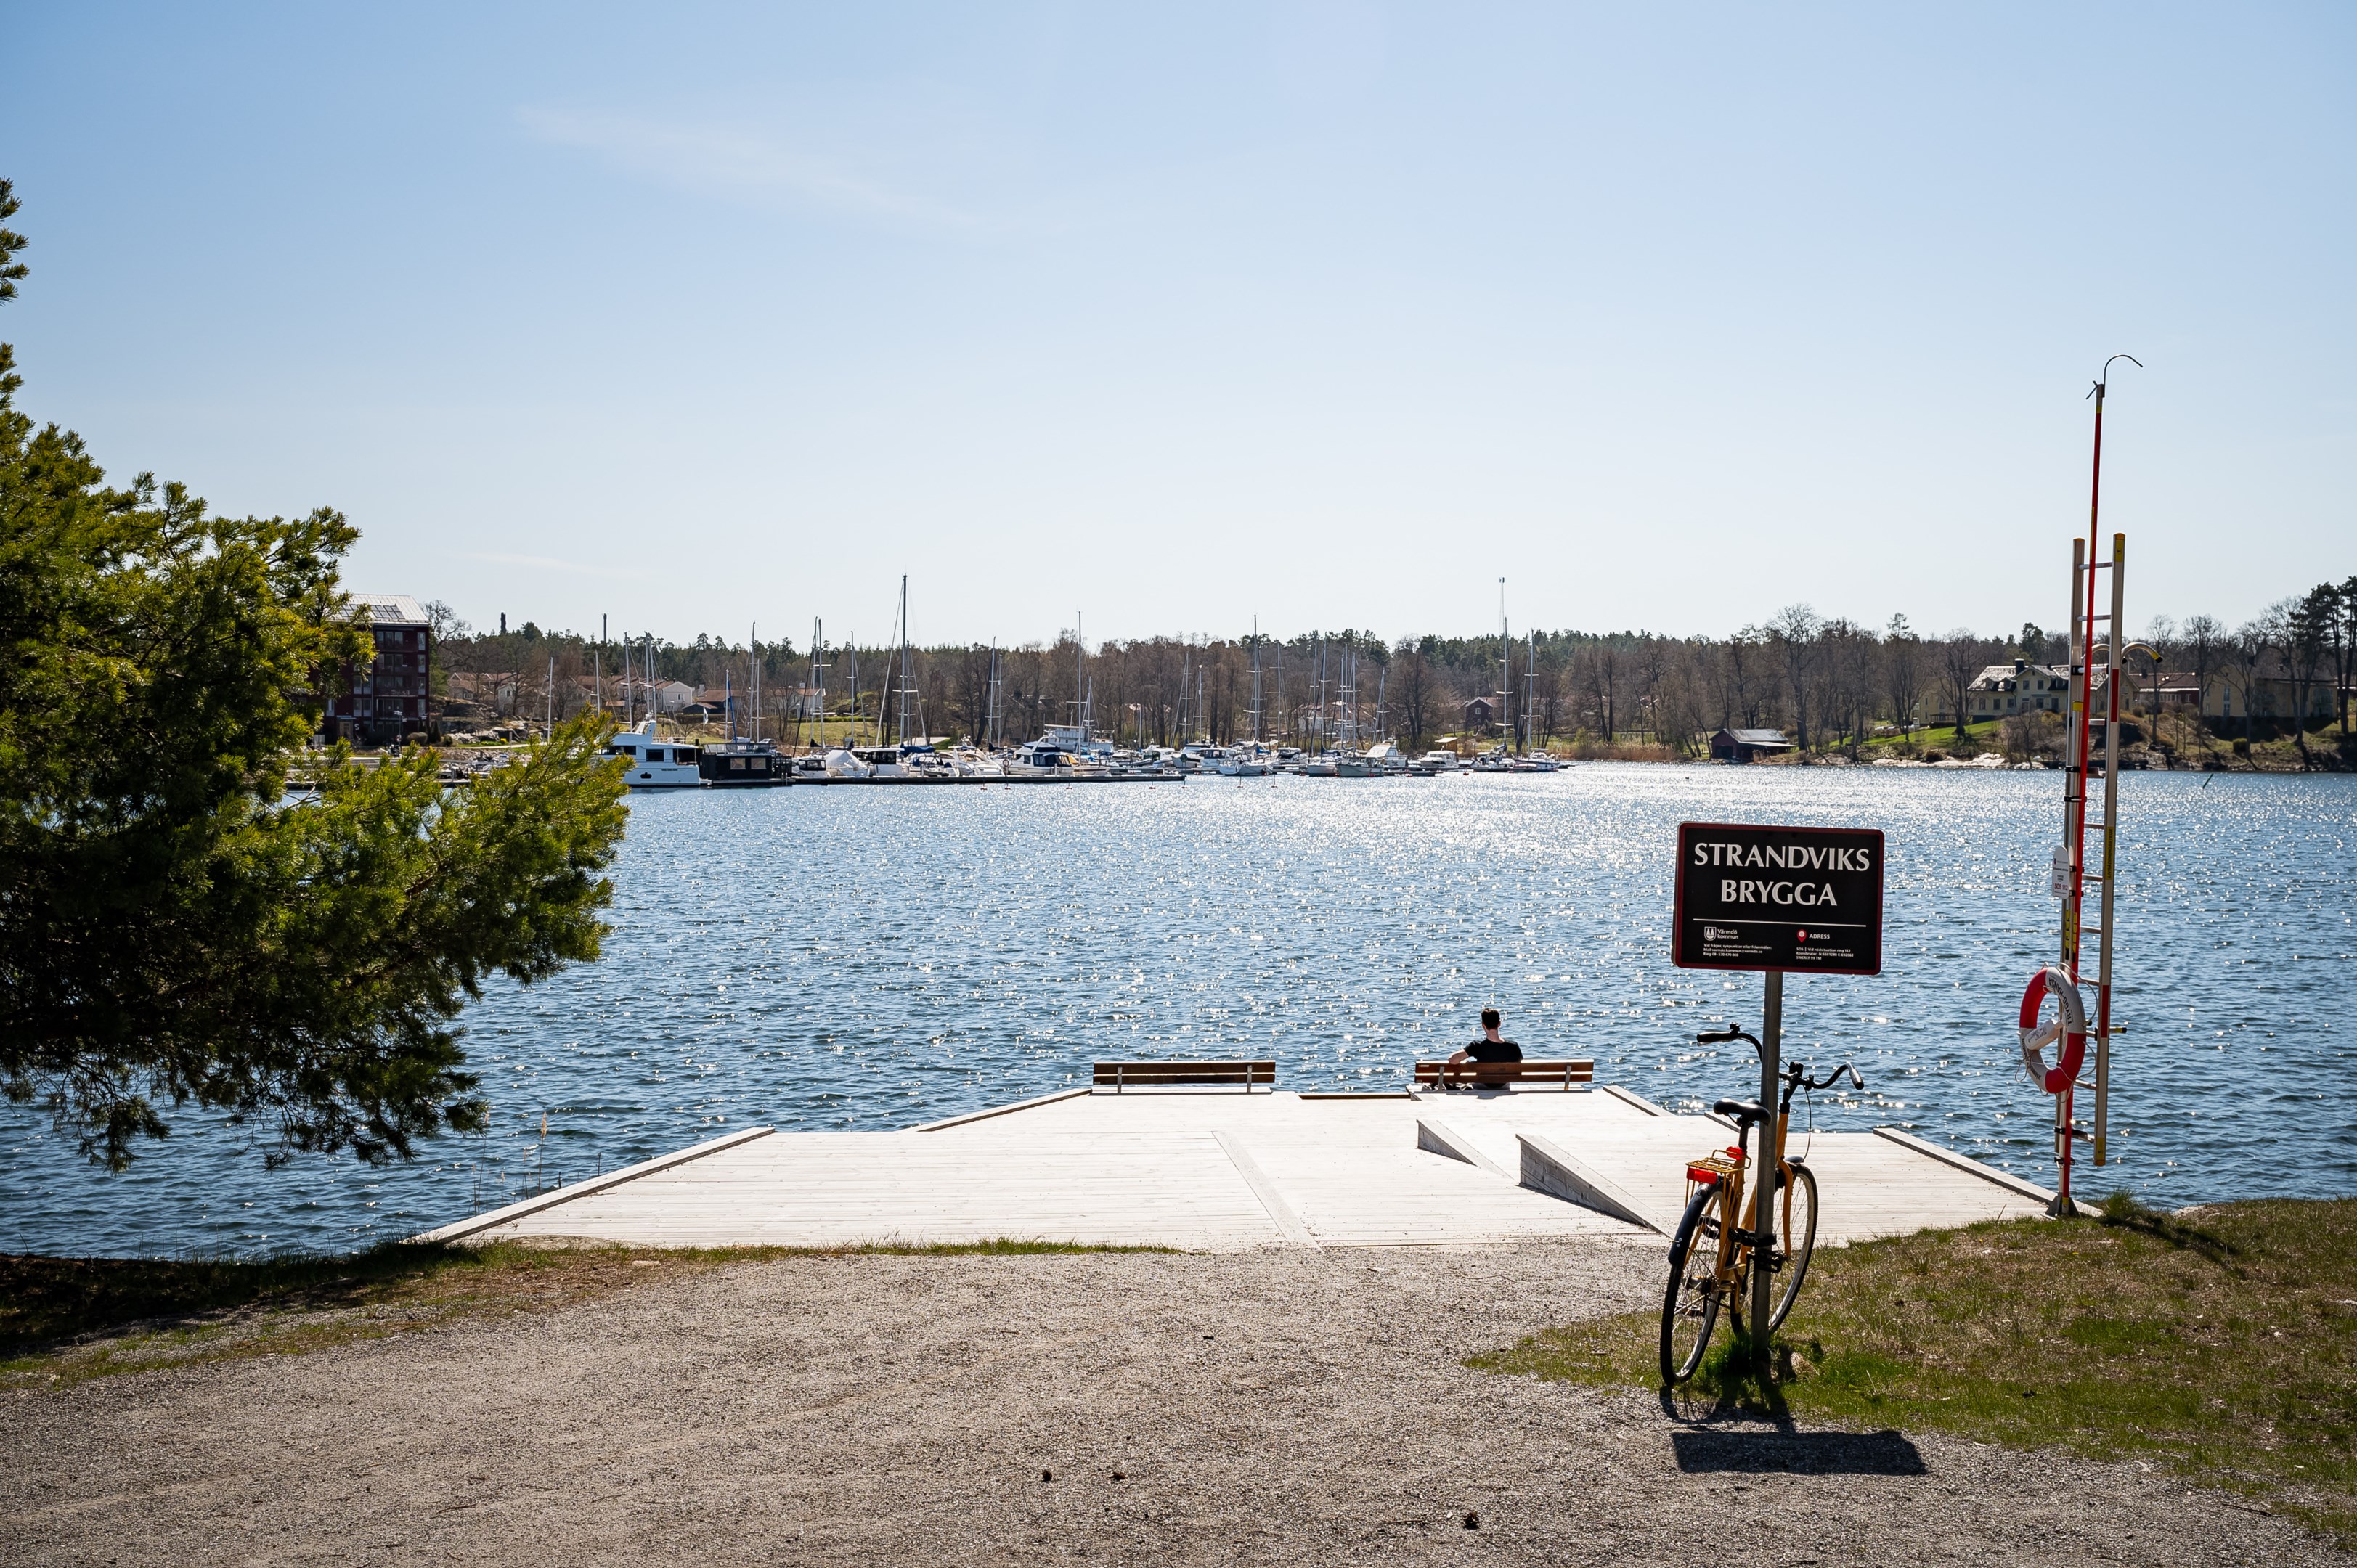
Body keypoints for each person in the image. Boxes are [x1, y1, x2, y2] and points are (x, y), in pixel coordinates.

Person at [1443, 1008, 1521, 1088]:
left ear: (1483, 1025)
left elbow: (1452, 1060)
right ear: (1499, 1024)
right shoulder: (1513, 1046)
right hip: (1504, 1086)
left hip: (1482, 1086)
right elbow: (1520, 1069)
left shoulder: (1477, 1046)